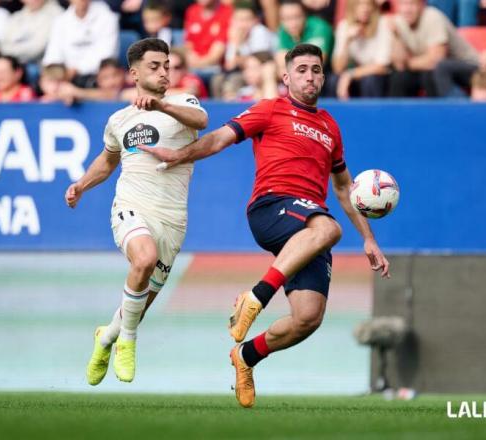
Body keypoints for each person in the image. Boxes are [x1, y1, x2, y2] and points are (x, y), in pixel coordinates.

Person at [139, 43, 390, 408]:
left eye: (316, 70)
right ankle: (255, 298)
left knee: (307, 319)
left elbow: (342, 187)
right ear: (287, 77)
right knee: (330, 230)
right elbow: (219, 138)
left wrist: (369, 239)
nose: (310, 76)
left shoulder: (330, 127)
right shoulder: (270, 109)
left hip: (307, 226)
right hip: (271, 206)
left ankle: (246, 356)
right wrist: (179, 155)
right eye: (302, 69)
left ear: (323, 77)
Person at [64, 38, 208, 385]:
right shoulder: (119, 119)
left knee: (139, 304)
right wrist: (82, 184)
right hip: (131, 206)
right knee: (142, 260)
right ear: (134, 73)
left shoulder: (182, 102)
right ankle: (127, 341)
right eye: (154, 66)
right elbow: (108, 160)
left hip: (172, 218)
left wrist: (162, 106)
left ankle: (106, 336)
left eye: (167, 66)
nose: (163, 72)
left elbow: (201, 119)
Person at [389, 0, 478, 97]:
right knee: (399, 77)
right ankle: (401, 111)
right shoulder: (397, 22)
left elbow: (436, 60)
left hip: (468, 67)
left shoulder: (432, 17)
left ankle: (443, 110)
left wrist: (407, 64)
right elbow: (399, 65)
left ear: (422, 6)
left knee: (431, 75)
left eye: (412, 4)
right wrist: (395, 36)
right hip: (431, 69)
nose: (407, 10)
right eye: (403, 4)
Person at [42, 0, 119, 88]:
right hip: (64, 77)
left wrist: (76, 70)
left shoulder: (108, 17)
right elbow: (52, 55)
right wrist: (57, 74)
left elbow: (107, 55)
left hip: (95, 77)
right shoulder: (60, 21)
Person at [331, 0, 393, 98]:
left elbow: (382, 66)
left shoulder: (383, 23)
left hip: (378, 75)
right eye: (359, 4)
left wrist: (350, 75)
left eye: (368, 4)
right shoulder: (344, 26)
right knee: (333, 80)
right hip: (357, 75)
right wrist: (347, 42)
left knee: (370, 80)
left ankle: (372, 112)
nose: (365, 9)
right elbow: (338, 68)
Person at [275, 0, 334, 76]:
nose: (293, 23)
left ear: (305, 15)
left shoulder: (319, 27)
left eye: (296, 17)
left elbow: (317, 61)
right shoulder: (283, 30)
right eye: (287, 18)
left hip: (325, 74)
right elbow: (281, 62)